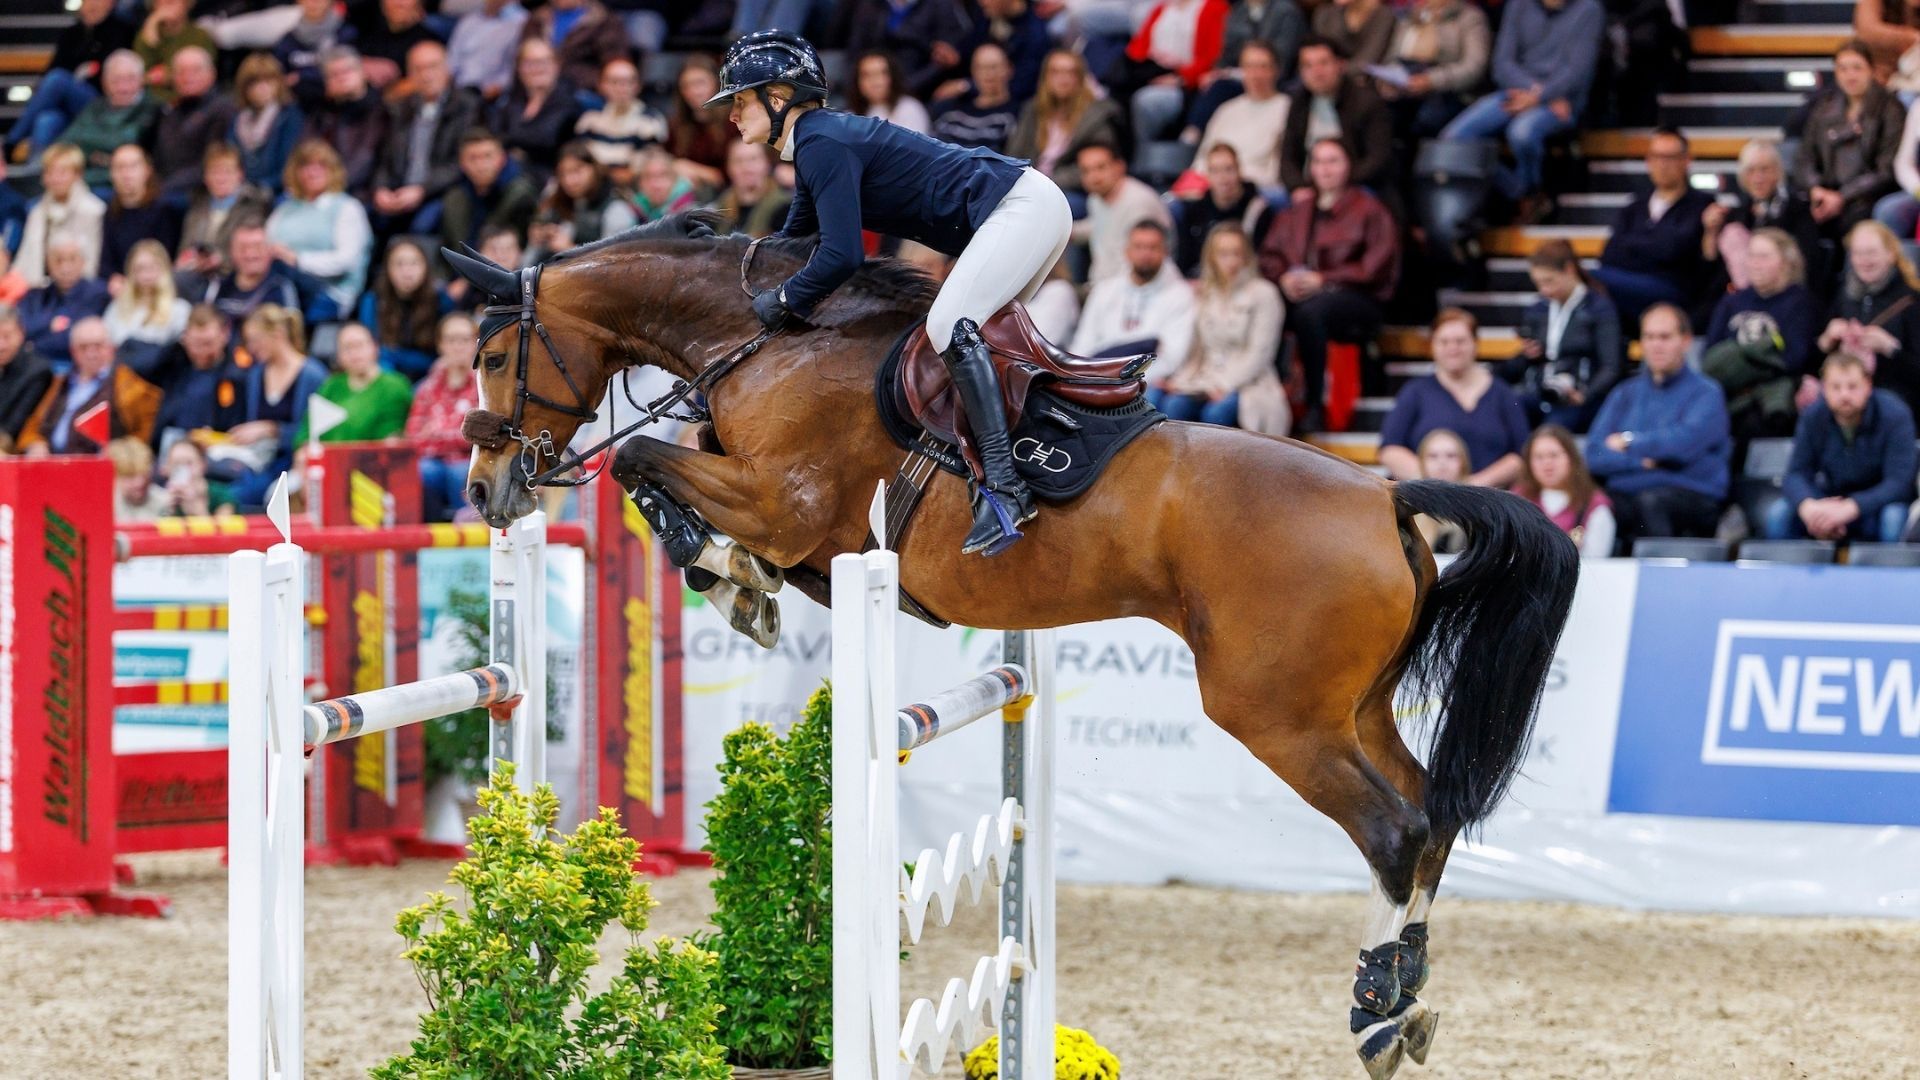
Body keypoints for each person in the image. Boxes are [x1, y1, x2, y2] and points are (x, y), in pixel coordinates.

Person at [709, 30, 1075, 555]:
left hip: (1020, 207)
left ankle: (1005, 488)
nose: (732, 115)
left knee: (949, 327)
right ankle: (1036, 456)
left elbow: (841, 256)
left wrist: (786, 301)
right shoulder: (817, 143)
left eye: (740, 101)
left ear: (779, 97)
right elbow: (793, 243)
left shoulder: (821, 142)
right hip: (1028, 205)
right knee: (979, 339)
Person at [1258, 137, 1399, 432]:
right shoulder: (1298, 210)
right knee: (1263, 299)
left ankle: (1313, 404)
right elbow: (1269, 256)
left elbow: (1375, 268)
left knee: (1312, 312)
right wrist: (1284, 278)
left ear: (1348, 165)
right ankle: (1264, 394)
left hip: (1358, 298)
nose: (1325, 169)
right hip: (1302, 292)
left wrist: (1323, 280)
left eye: (1333, 161)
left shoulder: (1369, 208)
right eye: (1319, 161)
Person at [1585, 304, 1731, 551]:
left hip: (1690, 494)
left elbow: (1683, 445)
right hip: (1629, 490)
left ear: (1685, 341)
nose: (1656, 345)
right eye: (1649, 337)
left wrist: (1629, 442)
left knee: (1650, 502)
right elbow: (1594, 454)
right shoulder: (1625, 393)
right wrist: (1640, 463)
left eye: (1665, 337)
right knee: (1591, 501)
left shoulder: (1706, 392)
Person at [1436, 0, 1604, 215]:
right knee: (1453, 139)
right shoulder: (1518, 5)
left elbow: (1578, 71)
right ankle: (1521, 192)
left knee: (1522, 133)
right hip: (1516, 91)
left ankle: (1531, 192)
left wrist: (1541, 96)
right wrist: (1532, 92)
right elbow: (1501, 64)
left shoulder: (1589, 9)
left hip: (1562, 99)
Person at [1151, 223, 1287, 434]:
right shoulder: (1205, 294)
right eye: (1223, 254)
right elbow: (1196, 351)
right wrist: (1178, 379)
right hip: (1204, 378)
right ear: (1211, 257)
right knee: (1172, 405)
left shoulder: (1264, 293)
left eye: (1236, 253)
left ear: (1247, 256)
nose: (1231, 261)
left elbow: (1260, 354)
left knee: (1216, 413)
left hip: (1249, 383)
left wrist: (1224, 384)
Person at [1767, 351, 1918, 542]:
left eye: (1852, 387)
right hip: (1830, 500)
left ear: (1868, 386)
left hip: (1876, 505)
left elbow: (1899, 482)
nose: (1844, 395)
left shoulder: (1895, 415)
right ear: (1824, 389)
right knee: (1779, 513)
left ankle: (1889, 572)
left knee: (1893, 518)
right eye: (1836, 387)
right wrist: (1809, 507)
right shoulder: (1813, 416)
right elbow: (1795, 474)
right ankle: (1782, 572)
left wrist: (1853, 507)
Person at [1379, 308, 1528, 486]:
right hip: (1429, 502)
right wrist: (1433, 485)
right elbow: (1389, 449)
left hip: (1490, 500)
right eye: (1444, 342)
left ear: (1475, 343)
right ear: (1432, 345)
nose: (1452, 348)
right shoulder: (1415, 392)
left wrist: (1475, 485)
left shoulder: (1502, 393)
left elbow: (1522, 452)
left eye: (1460, 341)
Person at [1701, 227, 1821, 441]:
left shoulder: (1800, 302)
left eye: (1764, 257)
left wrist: (1742, 360)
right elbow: (1710, 352)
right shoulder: (1733, 300)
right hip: (1729, 387)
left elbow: (1794, 357)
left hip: (1772, 393)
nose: (1755, 263)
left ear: (1786, 262)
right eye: (1752, 256)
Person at [1590, 129, 1716, 328]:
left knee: (1589, 278)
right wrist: (1656, 247)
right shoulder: (1635, 206)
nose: (1662, 164)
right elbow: (1610, 255)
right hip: (1629, 293)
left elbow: (1677, 252)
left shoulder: (1702, 205)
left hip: (1675, 293)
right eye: (1656, 157)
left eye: (1670, 157)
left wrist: (1635, 248)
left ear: (1686, 160)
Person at [1505, 238, 1622, 431]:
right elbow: (1526, 362)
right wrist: (1530, 355)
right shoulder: (1537, 310)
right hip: (1539, 392)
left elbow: (1610, 367)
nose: (1544, 290)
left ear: (1569, 270)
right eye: (1539, 283)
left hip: (1578, 397)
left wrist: (1585, 394)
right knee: (1508, 413)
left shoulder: (1599, 309)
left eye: (1549, 281)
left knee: (1552, 430)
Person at [1794, 40, 1905, 240]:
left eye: (1857, 68)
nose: (1849, 75)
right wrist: (1816, 189)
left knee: (1853, 220)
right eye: (1842, 69)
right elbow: (1805, 157)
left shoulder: (1890, 109)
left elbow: (1886, 169)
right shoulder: (1824, 108)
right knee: (1798, 216)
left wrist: (1843, 197)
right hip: (1826, 192)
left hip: (1866, 196)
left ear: (1871, 70)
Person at [4, 0, 136, 162]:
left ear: (111, 3)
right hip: (68, 106)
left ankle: (11, 141)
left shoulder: (121, 31)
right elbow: (52, 70)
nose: (91, 5)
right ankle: (35, 177)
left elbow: (109, 74)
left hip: (101, 105)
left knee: (57, 79)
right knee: (46, 121)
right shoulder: (72, 33)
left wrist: (76, 78)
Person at [373, 40, 485, 231]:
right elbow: (385, 158)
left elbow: (462, 162)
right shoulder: (400, 108)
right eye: (418, 69)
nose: (426, 75)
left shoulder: (467, 107)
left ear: (447, 68)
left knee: (422, 226)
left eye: (433, 67)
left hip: (442, 191)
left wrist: (422, 189)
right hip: (400, 190)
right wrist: (380, 188)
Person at [227, 304, 327, 508]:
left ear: (278, 334)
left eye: (256, 340)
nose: (252, 348)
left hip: (294, 461)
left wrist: (271, 429)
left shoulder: (313, 375)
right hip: (261, 459)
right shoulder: (256, 374)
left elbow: (313, 433)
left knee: (250, 496)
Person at [17, 316, 161, 455]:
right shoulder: (61, 382)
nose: (91, 354)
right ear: (73, 351)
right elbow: (34, 424)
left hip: (102, 467)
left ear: (111, 348)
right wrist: (35, 444)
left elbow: (143, 435)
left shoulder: (131, 385)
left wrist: (120, 453)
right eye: (83, 347)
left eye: (98, 346)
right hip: (51, 463)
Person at [1073, 220, 1196, 382]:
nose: (1145, 254)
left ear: (1165, 252)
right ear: (1127, 251)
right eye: (1138, 247)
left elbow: (1173, 357)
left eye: (1152, 248)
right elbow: (1082, 345)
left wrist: (1125, 381)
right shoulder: (1104, 291)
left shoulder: (1180, 295)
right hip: (1099, 378)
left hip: (1147, 382)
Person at [1819, 219, 1920, 417]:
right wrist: (1827, 340)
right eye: (1858, 253)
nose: (1864, 260)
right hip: (1843, 389)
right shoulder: (1843, 296)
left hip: (1895, 393)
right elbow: (1817, 357)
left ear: (1891, 254)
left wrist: (1891, 348)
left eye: (1871, 252)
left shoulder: (1911, 300)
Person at [267, 139, 374, 321]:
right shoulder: (284, 210)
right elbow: (267, 246)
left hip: (330, 294)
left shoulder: (347, 207)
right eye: (305, 166)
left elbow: (346, 260)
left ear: (333, 170)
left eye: (321, 165)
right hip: (282, 284)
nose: (312, 172)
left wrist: (297, 259)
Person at [1277, 38, 1394, 202]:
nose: (1317, 72)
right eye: (1308, 66)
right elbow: (1288, 157)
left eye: (1323, 63)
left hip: (1355, 185)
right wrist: (1297, 186)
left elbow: (1378, 159)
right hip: (1309, 187)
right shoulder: (1299, 102)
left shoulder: (1367, 102)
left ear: (1341, 64)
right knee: (1270, 199)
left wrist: (1338, 184)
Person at [1703, 139, 1823, 299]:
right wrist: (1711, 232)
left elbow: (1807, 260)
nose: (1758, 178)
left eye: (1764, 170)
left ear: (1777, 173)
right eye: (1751, 171)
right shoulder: (1739, 213)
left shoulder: (1797, 208)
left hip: (1787, 292)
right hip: (1743, 296)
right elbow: (1713, 265)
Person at [1005, 50, 1125, 200]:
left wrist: (1046, 182)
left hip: (1071, 190)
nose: (1063, 78)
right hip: (1029, 185)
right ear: (1045, 77)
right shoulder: (1032, 110)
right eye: (1056, 72)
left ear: (1080, 78)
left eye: (1070, 72)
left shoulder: (1097, 115)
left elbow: (1096, 165)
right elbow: (1014, 153)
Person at [1111, 0, 1229, 147]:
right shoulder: (1162, 7)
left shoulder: (1213, 7)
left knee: (1149, 101)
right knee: (1114, 96)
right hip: (1153, 73)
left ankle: (1144, 152)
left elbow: (1212, 58)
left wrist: (1181, 77)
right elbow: (1137, 48)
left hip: (1188, 83)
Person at [406, 313, 484, 521]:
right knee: (421, 470)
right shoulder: (426, 388)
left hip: (473, 462)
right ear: (440, 345)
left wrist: (436, 434)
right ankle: (425, 538)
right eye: (451, 340)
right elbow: (414, 439)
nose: (457, 346)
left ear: (475, 344)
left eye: (464, 340)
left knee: (459, 472)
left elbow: (481, 436)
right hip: (433, 463)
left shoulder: (486, 386)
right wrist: (457, 435)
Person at [1374, 0, 1490, 139]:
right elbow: (1392, 55)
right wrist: (1388, 78)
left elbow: (1474, 67)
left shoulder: (1469, 18)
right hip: (1405, 83)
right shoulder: (1410, 16)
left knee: (1427, 118)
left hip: (1448, 90)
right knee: (1374, 109)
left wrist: (1432, 80)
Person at [294, 322, 414, 443]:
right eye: (347, 347)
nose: (354, 353)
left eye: (360, 345)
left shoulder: (395, 386)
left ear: (375, 347)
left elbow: (390, 437)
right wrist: (303, 450)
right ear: (338, 356)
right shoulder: (331, 386)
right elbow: (307, 430)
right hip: (326, 458)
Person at [1194, 41, 1289, 193]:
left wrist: (1234, 181)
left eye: (1263, 67)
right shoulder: (1226, 110)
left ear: (1275, 70)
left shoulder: (1287, 109)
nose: (1256, 74)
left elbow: (1278, 170)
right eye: (1249, 67)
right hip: (1213, 188)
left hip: (1257, 189)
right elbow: (1202, 159)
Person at [175, 143, 273, 291]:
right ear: (206, 177)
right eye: (215, 172)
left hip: (230, 277)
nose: (221, 178)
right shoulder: (197, 208)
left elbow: (252, 249)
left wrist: (220, 260)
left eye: (227, 172)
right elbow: (185, 246)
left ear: (240, 174)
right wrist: (187, 258)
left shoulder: (253, 206)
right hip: (193, 272)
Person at [1073, 142, 1174, 283]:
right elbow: (1099, 226)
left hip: (1135, 287)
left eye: (1100, 167)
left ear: (1119, 166)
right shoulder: (1095, 198)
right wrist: (1067, 232)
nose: (1094, 177)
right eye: (1086, 171)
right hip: (1102, 285)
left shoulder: (1138, 201)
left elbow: (1141, 257)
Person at [150, 304, 248, 448]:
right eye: (195, 343)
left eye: (208, 343)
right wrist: (172, 348)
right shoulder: (173, 365)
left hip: (215, 452)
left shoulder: (237, 375)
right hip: (169, 445)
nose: (201, 351)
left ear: (225, 334)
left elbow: (236, 429)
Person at [58, 50, 159, 189]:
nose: (123, 87)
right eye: (116, 80)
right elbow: (66, 143)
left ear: (142, 79)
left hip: (124, 187)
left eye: (130, 79)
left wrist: (91, 149)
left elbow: (123, 143)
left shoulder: (153, 109)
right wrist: (104, 156)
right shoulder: (95, 106)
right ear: (104, 83)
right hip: (86, 180)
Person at [1514, 424, 1616, 557]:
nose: (1547, 463)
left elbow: (1596, 562)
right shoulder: (1517, 499)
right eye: (1538, 457)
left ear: (1572, 459)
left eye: (1554, 455)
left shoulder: (1595, 504)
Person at [528, 142, 640, 260]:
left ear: (594, 168)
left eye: (577, 170)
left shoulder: (615, 208)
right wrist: (540, 233)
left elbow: (615, 262)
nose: (569, 180)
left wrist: (570, 249)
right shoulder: (560, 198)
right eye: (563, 173)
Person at [14, 143, 105, 287]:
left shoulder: (93, 210)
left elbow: (91, 264)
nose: (55, 178)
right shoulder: (37, 211)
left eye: (62, 172)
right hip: (38, 292)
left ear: (78, 175)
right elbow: (24, 260)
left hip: (79, 292)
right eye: (50, 172)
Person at [493, 37, 586, 177]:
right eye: (529, 63)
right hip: (511, 176)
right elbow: (496, 138)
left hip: (551, 177)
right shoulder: (511, 101)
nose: (537, 68)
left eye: (544, 62)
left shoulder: (570, 103)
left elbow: (547, 140)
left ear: (556, 65)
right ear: (519, 69)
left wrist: (515, 147)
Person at [356, 240, 448, 381]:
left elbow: (445, 353)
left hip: (430, 375)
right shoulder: (373, 300)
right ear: (387, 269)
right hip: (386, 374)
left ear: (426, 267)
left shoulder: (441, 299)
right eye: (399, 264)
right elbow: (371, 347)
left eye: (414, 263)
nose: (407, 271)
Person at [151, 47, 238, 198]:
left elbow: (211, 162)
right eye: (181, 72)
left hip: (198, 192)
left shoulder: (223, 109)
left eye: (195, 70)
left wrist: (164, 187)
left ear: (212, 73)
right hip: (166, 186)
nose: (187, 77)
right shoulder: (168, 111)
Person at [306, 46, 392, 198]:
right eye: (333, 74)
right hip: (321, 189)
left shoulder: (380, 111)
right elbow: (305, 152)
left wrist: (329, 187)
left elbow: (365, 160)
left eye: (347, 71)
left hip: (364, 192)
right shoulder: (321, 114)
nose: (341, 77)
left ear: (363, 73)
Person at [1172, 143, 1270, 277]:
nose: (1223, 178)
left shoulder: (1259, 210)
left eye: (1229, 169)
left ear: (1239, 171)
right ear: (1207, 175)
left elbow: (1261, 261)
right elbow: (1184, 260)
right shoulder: (1194, 211)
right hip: (1201, 283)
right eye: (1215, 171)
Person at [439, 127, 543, 248]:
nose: (481, 165)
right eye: (473, 158)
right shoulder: (453, 198)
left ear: (502, 159)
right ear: (462, 163)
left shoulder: (521, 194)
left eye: (487, 156)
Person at [19, 238, 111, 368]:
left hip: (73, 366)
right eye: (58, 260)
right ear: (48, 263)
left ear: (83, 262)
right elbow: (21, 328)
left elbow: (72, 338)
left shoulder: (97, 293)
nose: (65, 267)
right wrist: (50, 323)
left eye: (72, 259)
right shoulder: (36, 295)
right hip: (33, 365)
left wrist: (32, 345)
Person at [104, 239, 190, 370]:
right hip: (120, 375)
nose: (146, 275)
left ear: (165, 269)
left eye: (152, 267)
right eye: (140, 268)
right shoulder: (117, 307)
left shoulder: (180, 309)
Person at [100, 144, 181, 282]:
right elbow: (106, 262)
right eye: (120, 167)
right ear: (111, 174)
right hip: (118, 289)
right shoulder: (110, 212)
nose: (126, 174)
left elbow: (165, 260)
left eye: (133, 167)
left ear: (147, 170)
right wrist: (113, 279)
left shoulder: (163, 211)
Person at [574, 58, 668, 176]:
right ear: (601, 85)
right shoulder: (589, 119)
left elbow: (644, 170)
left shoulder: (651, 120)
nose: (621, 88)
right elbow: (580, 160)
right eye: (614, 82)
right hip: (593, 186)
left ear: (638, 86)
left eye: (628, 82)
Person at [201, 221, 303, 327]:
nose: (250, 254)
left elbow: (289, 334)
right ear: (231, 252)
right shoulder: (218, 286)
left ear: (270, 250)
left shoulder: (281, 288)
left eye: (257, 247)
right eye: (242, 248)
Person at [229, 53, 305, 195]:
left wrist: (258, 187)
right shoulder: (237, 119)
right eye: (254, 83)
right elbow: (229, 160)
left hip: (277, 192)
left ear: (279, 83)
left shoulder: (289, 116)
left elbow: (288, 166)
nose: (262, 88)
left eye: (268, 81)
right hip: (240, 191)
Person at [516, 0, 631, 93]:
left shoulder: (603, 20)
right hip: (537, 90)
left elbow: (614, 62)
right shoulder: (536, 20)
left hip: (584, 90)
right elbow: (523, 56)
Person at [930, 44, 1022, 152]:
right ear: (973, 71)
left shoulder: (1018, 114)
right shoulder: (950, 108)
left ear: (1009, 70)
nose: (988, 74)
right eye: (980, 68)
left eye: (994, 67)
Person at [275, 0, 360, 110]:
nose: (313, 3)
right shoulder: (287, 40)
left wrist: (301, 76)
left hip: (343, 106)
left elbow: (352, 73)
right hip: (300, 108)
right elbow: (281, 78)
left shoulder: (346, 34)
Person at [667, 55, 732, 191]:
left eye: (700, 83)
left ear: (716, 83)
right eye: (686, 86)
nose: (694, 91)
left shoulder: (733, 121)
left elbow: (731, 174)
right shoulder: (676, 125)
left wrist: (692, 169)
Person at [133, 0, 216, 99]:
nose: (167, 7)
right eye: (161, 2)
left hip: (194, 97)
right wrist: (150, 28)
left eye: (172, 2)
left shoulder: (200, 35)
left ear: (186, 4)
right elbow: (140, 75)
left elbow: (203, 73)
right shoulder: (146, 35)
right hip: (155, 98)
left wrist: (167, 74)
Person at [710, 141, 793, 238]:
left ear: (767, 163)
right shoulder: (719, 208)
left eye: (753, 159)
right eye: (738, 161)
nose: (746, 167)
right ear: (728, 167)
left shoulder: (785, 208)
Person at [447, 0, 527, 99]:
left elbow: (513, 67)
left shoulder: (518, 25)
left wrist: (498, 87)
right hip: (459, 88)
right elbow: (452, 61)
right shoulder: (468, 21)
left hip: (492, 94)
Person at [0, 305, 54, 451]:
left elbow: (15, 427)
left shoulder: (37, 371)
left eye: (7, 336)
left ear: (21, 333)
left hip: (14, 447)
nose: (1, 345)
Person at [1411, 428, 1470, 551]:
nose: (1442, 463)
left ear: (1463, 462)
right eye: (1433, 456)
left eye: (1451, 456)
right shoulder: (1407, 509)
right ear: (1422, 462)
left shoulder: (1479, 512)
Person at [849, 51, 932, 136]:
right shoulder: (849, 117)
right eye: (867, 75)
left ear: (892, 77)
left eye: (881, 74)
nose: (875, 82)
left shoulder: (910, 108)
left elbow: (915, 147)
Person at [1311, 0, 1395, 68]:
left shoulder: (1382, 15)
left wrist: (1336, 69)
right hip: (1324, 78)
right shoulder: (1325, 13)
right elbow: (1317, 51)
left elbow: (1367, 59)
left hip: (1359, 79)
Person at [107, 436, 164, 521]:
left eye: (144, 475)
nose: (140, 482)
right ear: (115, 477)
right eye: (130, 476)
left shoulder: (165, 502)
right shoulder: (105, 507)